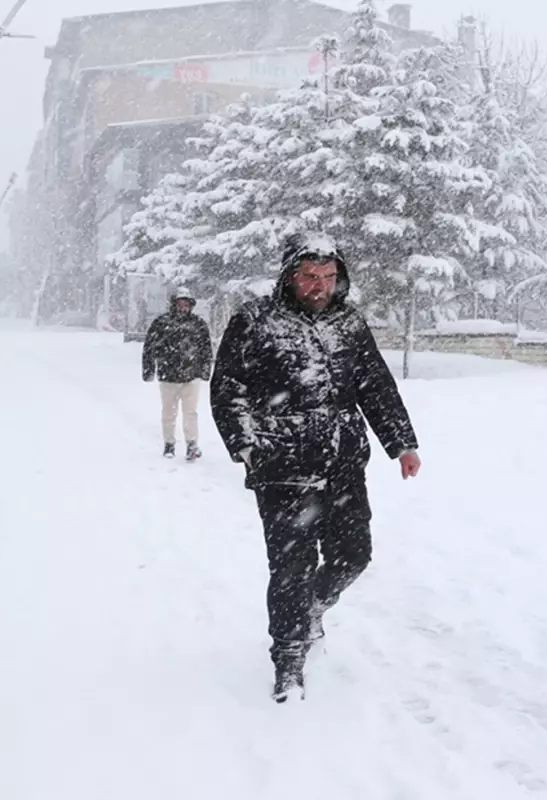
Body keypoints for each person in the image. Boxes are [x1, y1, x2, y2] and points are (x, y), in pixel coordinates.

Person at [210, 232, 421, 703]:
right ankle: (288, 660)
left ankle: (312, 609)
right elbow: (228, 389)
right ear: (289, 275)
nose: (319, 286)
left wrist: (401, 443)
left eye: (328, 277)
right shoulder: (255, 321)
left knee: (355, 555)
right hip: (282, 466)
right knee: (292, 567)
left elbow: (376, 386)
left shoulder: (349, 323)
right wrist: (247, 446)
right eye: (309, 276)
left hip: (344, 462)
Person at [142, 286, 214, 461]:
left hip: (191, 376)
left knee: (191, 412)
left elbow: (206, 349)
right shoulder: (161, 323)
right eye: (180, 304)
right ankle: (169, 444)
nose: (183, 308)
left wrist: (205, 370)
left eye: (186, 304)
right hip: (169, 377)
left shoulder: (198, 324)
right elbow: (149, 347)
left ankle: (192, 444)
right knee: (168, 413)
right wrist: (148, 370)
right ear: (173, 305)